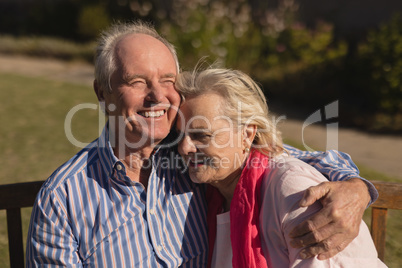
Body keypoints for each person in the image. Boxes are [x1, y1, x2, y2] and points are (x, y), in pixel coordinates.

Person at [26, 21, 377, 267]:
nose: (157, 97)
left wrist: (355, 186)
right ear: (102, 93)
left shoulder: (195, 159)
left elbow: (271, 154)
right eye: (136, 81)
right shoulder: (65, 197)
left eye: (167, 80)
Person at [175, 67, 386, 267]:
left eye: (201, 135)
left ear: (247, 135)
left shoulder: (294, 189)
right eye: (179, 135)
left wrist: (358, 186)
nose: (184, 148)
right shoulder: (214, 193)